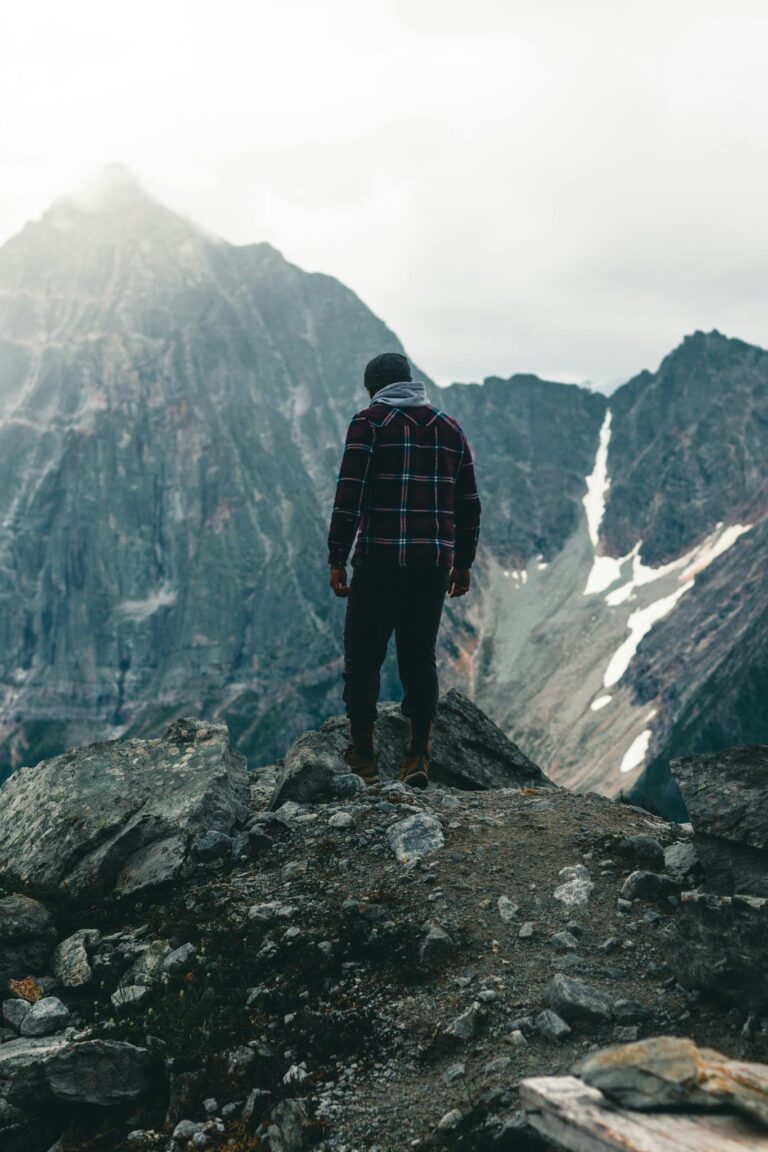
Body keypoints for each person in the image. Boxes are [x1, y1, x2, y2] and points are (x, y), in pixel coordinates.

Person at [327, 351, 481, 788]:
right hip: (431, 567)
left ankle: (363, 754)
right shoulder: (451, 429)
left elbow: (349, 495)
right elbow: (468, 504)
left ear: (374, 389)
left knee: (363, 656)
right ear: (410, 383)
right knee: (419, 658)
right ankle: (418, 756)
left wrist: (337, 556)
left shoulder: (368, 424)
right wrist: (463, 564)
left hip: (379, 561)